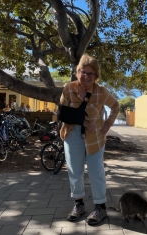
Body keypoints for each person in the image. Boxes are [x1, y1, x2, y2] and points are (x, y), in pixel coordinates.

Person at [59, 54, 119, 225]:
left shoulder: (101, 91)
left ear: (96, 76)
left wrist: (107, 124)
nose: (86, 76)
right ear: (77, 72)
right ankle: (78, 205)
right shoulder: (68, 89)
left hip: (95, 137)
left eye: (91, 74)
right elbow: (62, 113)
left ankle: (100, 207)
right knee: (74, 171)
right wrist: (83, 120)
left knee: (96, 171)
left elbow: (115, 106)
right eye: (83, 72)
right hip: (72, 133)